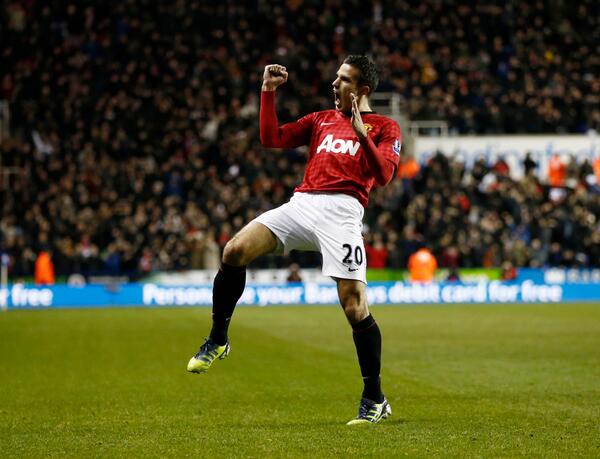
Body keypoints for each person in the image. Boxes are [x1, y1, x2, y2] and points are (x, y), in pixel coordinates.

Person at [187, 55, 402, 425]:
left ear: (362, 89)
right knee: (234, 250)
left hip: (343, 212)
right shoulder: (320, 119)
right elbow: (271, 138)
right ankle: (218, 339)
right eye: (336, 77)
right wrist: (268, 92)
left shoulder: (385, 127)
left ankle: (375, 398)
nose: (334, 83)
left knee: (355, 307)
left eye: (344, 79)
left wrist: (361, 133)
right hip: (302, 204)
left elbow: (383, 175)